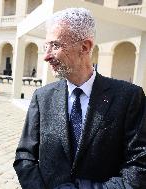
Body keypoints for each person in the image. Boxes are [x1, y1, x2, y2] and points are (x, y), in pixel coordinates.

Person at [13, 8, 146, 189]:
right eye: (46, 46)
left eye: (55, 46)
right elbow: (24, 156)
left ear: (85, 47)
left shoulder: (129, 97)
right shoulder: (41, 97)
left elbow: (139, 166)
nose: (46, 56)